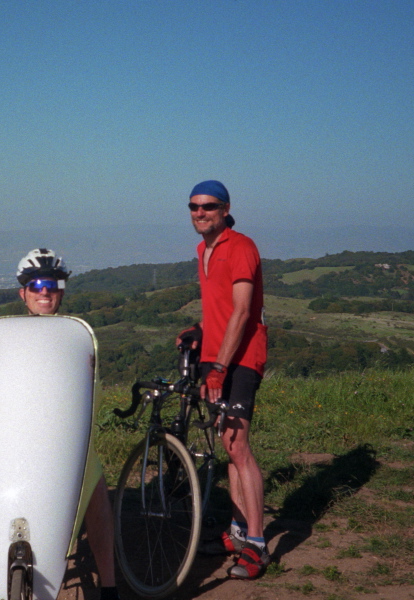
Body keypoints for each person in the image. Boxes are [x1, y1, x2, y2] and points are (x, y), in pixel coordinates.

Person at [0, 249, 119, 600]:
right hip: (13, 437)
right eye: (36, 285)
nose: (45, 292)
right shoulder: (5, 337)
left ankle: (109, 586)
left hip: (64, 441)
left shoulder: (73, 336)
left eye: (52, 285)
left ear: (61, 291)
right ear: (23, 293)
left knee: (95, 493)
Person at [180, 180, 269, 580]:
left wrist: (220, 367)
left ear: (226, 208)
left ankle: (258, 544)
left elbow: (243, 310)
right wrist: (199, 331)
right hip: (215, 356)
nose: (200, 213)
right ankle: (237, 532)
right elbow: (218, 308)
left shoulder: (241, 247)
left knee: (238, 444)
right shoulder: (203, 249)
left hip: (241, 358)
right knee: (227, 444)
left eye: (209, 206)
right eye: (194, 207)